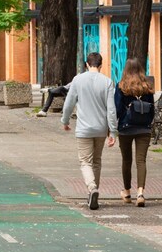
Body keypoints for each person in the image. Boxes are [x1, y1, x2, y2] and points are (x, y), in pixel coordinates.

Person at [60, 52, 117, 210]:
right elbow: (111, 110)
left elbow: (69, 103)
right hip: (101, 129)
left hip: (84, 129)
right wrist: (113, 131)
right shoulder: (107, 82)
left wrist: (65, 121)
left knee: (85, 161)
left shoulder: (78, 80)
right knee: (97, 161)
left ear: (86, 64)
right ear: (101, 65)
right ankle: (93, 193)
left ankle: (92, 188)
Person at [114, 58, 155, 207]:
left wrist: (114, 127)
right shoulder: (147, 86)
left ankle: (126, 192)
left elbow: (117, 108)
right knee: (141, 161)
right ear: (140, 70)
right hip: (144, 128)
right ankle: (140, 193)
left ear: (126, 70)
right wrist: (147, 122)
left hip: (126, 128)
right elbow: (152, 109)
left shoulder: (121, 86)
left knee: (126, 160)